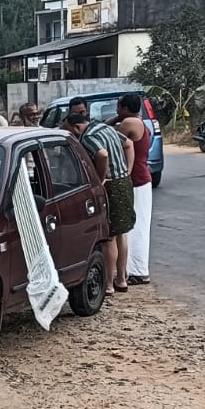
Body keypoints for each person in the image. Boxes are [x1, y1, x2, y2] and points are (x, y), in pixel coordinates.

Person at [65, 97, 134, 295]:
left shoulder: (87, 136)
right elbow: (128, 144)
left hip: (111, 185)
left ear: (77, 127)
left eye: (71, 132)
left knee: (109, 236)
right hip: (123, 182)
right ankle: (121, 279)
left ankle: (109, 284)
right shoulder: (106, 128)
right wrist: (126, 171)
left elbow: (102, 155)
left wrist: (100, 179)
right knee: (122, 233)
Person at [114, 93, 151, 284]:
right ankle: (135, 268)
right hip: (141, 178)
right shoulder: (141, 122)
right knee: (138, 225)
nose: (116, 110)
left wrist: (117, 119)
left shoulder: (129, 123)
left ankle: (136, 269)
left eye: (118, 107)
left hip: (135, 180)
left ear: (126, 109)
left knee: (131, 227)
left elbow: (109, 136)